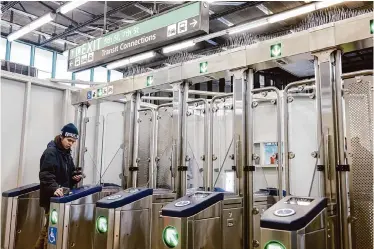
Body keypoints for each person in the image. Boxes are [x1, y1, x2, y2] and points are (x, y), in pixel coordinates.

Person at [34, 123, 83, 249]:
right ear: (62, 137)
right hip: (52, 198)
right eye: (69, 140)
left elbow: (68, 175)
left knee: (48, 229)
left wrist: (74, 178)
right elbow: (45, 174)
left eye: (73, 141)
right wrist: (55, 188)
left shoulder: (66, 154)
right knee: (52, 231)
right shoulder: (51, 152)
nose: (70, 144)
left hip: (62, 197)